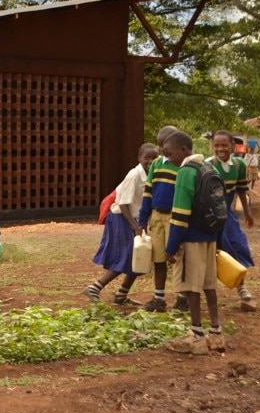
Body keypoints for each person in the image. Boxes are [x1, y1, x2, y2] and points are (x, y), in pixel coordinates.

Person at [162, 131, 225, 355]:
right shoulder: (210, 168)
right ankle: (216, 334)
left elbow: (179, 214)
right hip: (210, 236)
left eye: (169, 154)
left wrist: (170, 248)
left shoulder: (186, 172)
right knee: (209, 285)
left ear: (183, 150)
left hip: (191, 238)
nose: (168, 159)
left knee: (191, 286)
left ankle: (196, 336)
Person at [83, 143, 159, 306]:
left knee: (140, 257)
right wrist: (135, 226)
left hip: (136, 220)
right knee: (127, 257)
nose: (150, 161)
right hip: (121, 218)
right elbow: (124, 204)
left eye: (154, 158)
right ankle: (95, 287)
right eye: (147, 158)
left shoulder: (153, 174)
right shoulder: (135, 175)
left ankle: (121, 295)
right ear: (139, 158)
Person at [137, 126, 189, 313]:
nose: (163, 152)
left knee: (177, 257)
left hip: (175, 217)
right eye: (160, 147)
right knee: (158, 257)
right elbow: (148, 192)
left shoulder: (184, 166)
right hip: (157, 216)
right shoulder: (157, 164)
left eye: (165, 147)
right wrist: (142, 220)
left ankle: (183, 298)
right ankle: (159, 297)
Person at [209, 131, 257, 312]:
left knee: (237, 246)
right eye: (217, 145)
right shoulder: (209, 165)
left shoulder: (239, 165)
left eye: (224, 145)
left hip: (228, 214)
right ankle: (197, 291)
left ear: (232, 146)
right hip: (211, 215)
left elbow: (241, 190)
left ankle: (241, 285)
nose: (220, 149)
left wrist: (247, 213)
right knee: (210, 251)